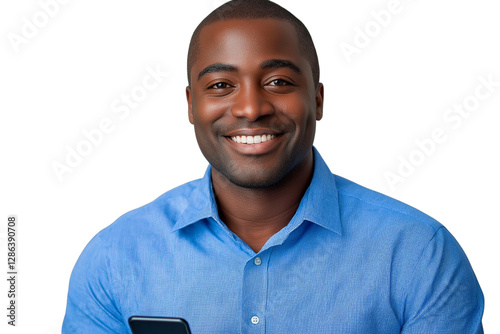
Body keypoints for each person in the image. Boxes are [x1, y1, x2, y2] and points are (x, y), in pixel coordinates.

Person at [62, 0, 484, 333]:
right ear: (191, 105)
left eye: (278, 82)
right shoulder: (115, 258)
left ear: (317, 100)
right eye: (221, 85)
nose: (250, 108)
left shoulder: (420, 254)